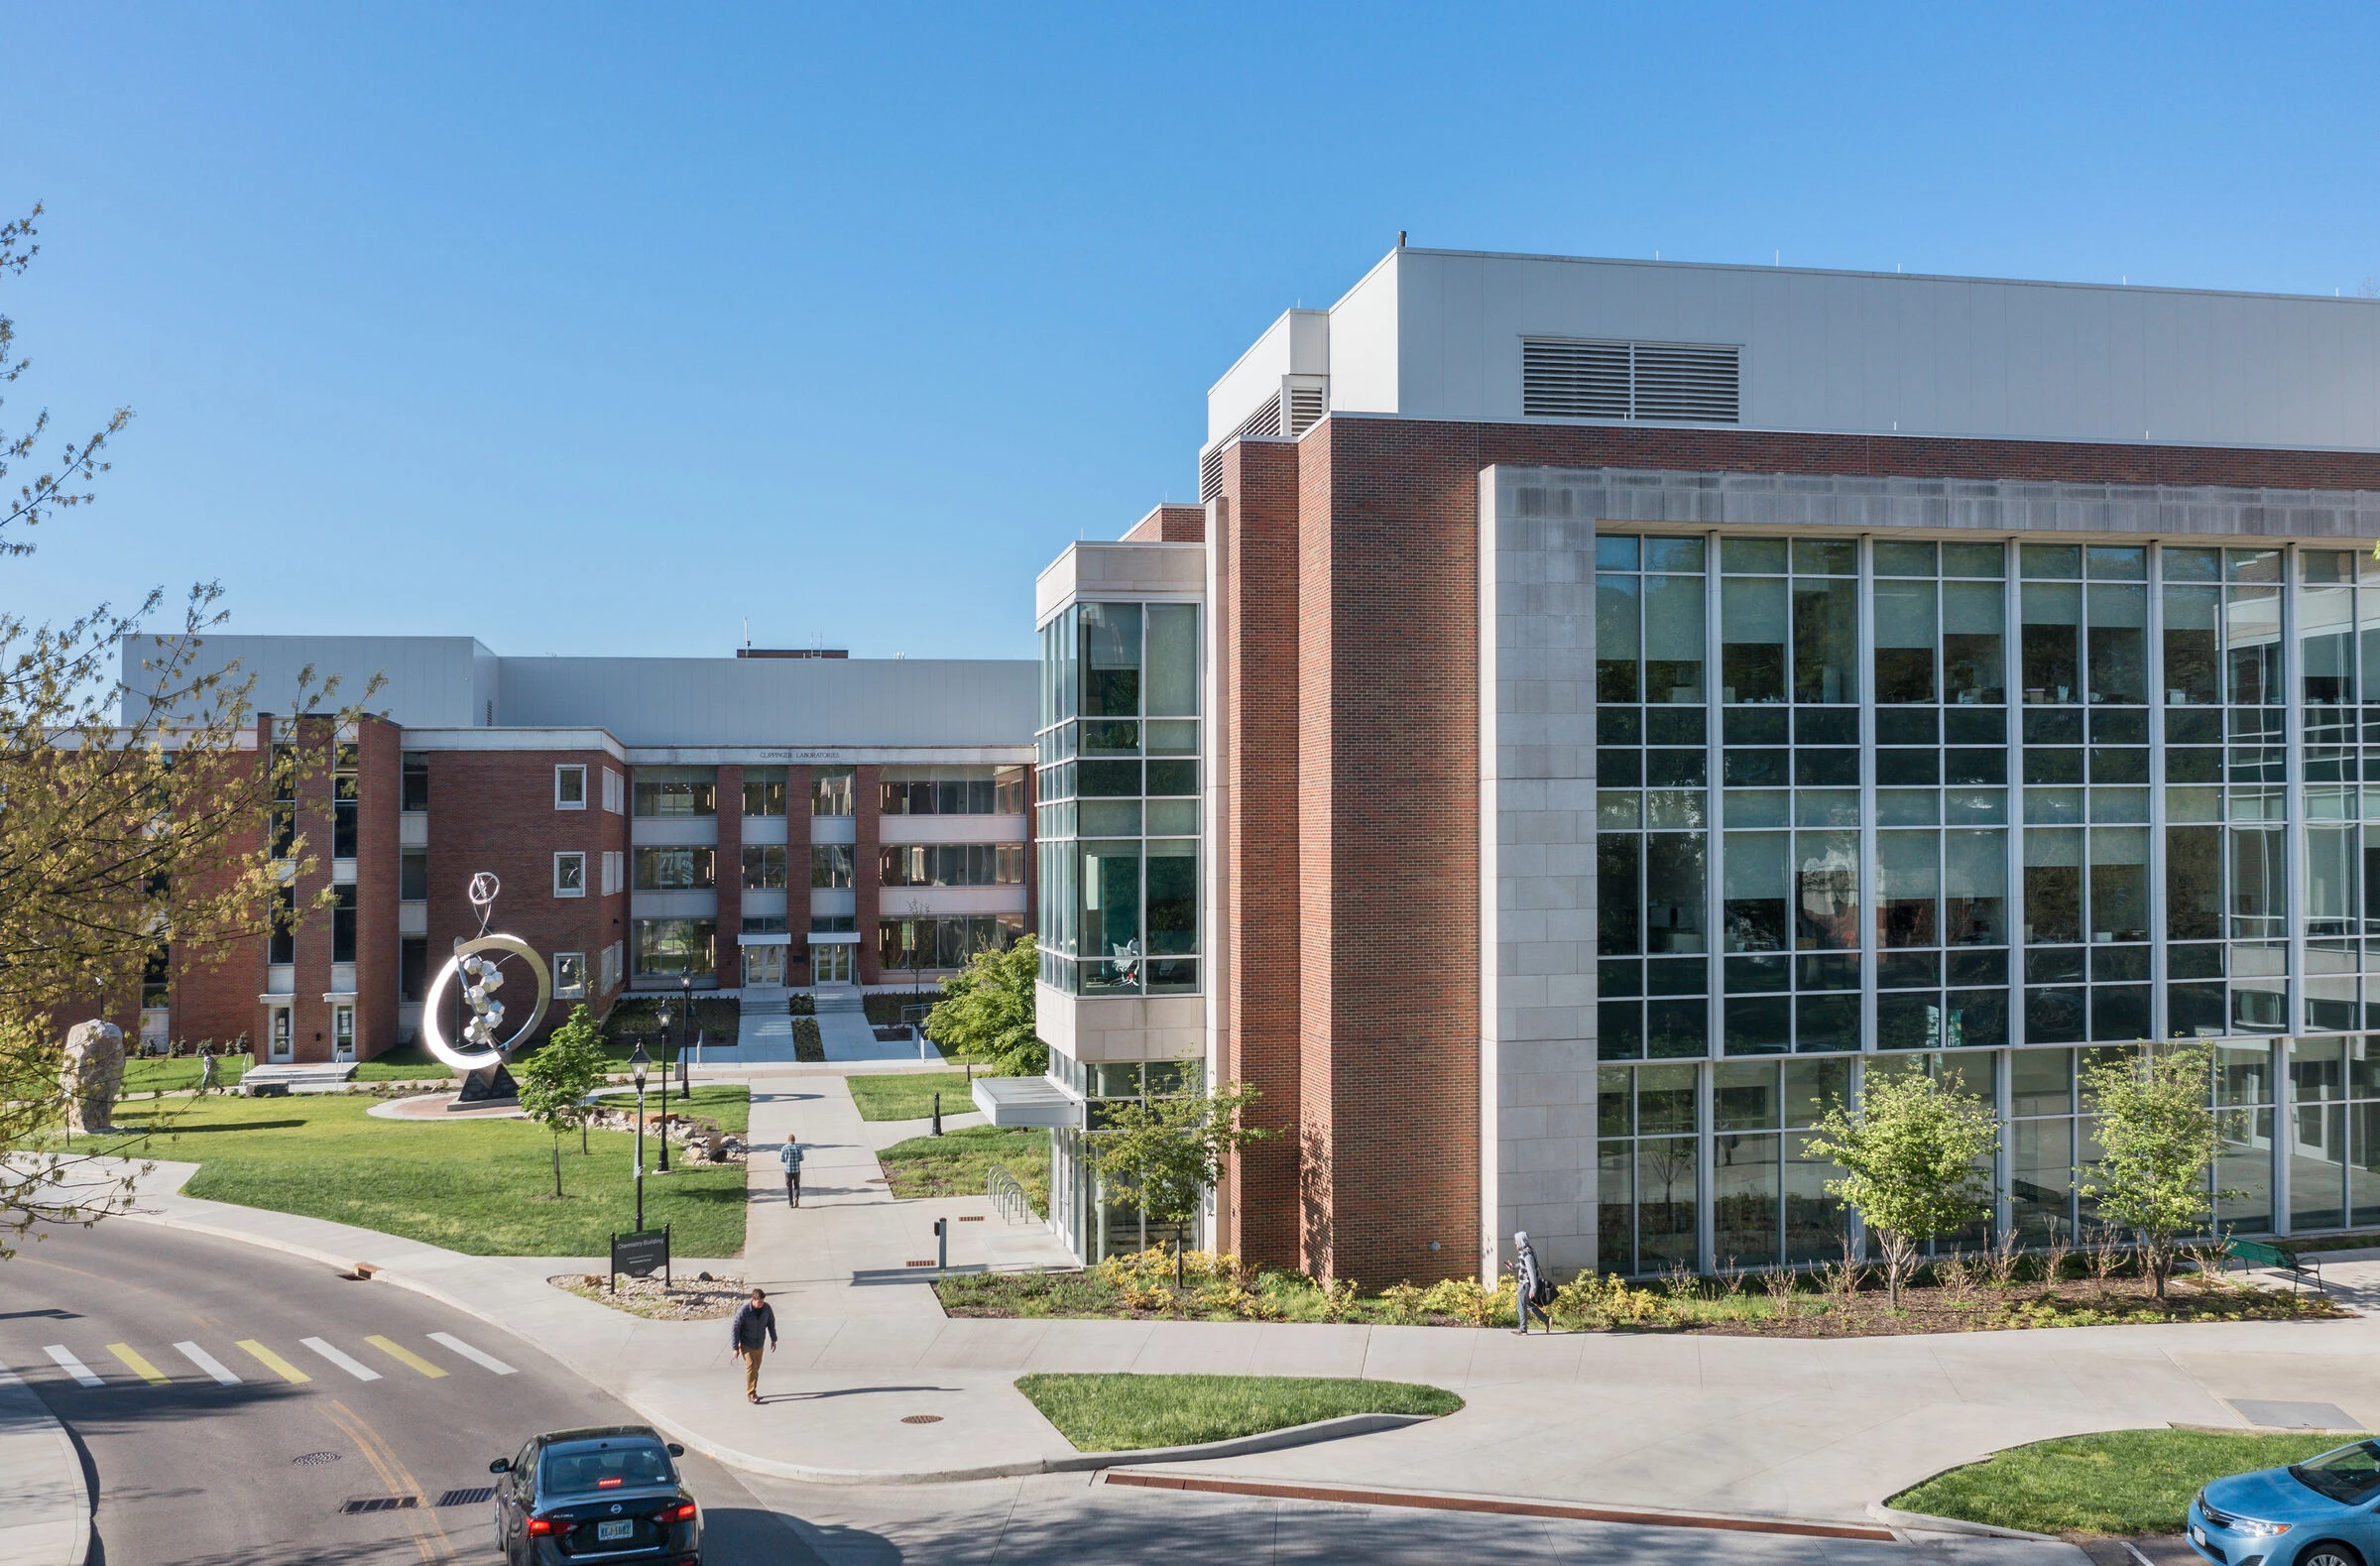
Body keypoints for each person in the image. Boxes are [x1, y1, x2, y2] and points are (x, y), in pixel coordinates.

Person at [729, 1287, 777, 1403]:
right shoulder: (744, 1311)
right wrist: (735, 1347)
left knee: (756, 1368)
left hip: (759, 1343)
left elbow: (771, 1323)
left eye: (762, 1301)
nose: (761, 1304)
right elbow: (735, 1329)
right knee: (751, 1365)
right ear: (753, 1299)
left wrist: (773, 1339)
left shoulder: (766, 1308)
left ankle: (753, 1390)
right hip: (746, 1344)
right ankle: (751, 1394)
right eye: (759, 1302)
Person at [1508, 1230, 1552, 1335]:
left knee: (1521, 1305)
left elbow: (1531, 1270)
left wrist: (1533, 1288)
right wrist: (1513, 1266)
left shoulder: (1527, 1253)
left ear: (1520, 1240)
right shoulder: (1527, 1251)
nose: (1515, 1243)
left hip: (1525, 1284)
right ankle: (1546, 1320)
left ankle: (1523, 1329)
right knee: (1526, 1305)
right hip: (1526, 1284)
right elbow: (1523, 1265)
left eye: (1516, 1241)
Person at [777, 1138, 804, 1207]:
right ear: (794, 1140)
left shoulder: (784, 1148)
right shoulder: (798, 1147)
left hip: (788, 1170)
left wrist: (787, 1160)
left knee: (789, 1187)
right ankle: (796, 1198)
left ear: (788, 1140)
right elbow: (802, 1158)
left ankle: (790, 1203)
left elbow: (782, 1159)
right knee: (797, 1185)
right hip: (796, 1170)